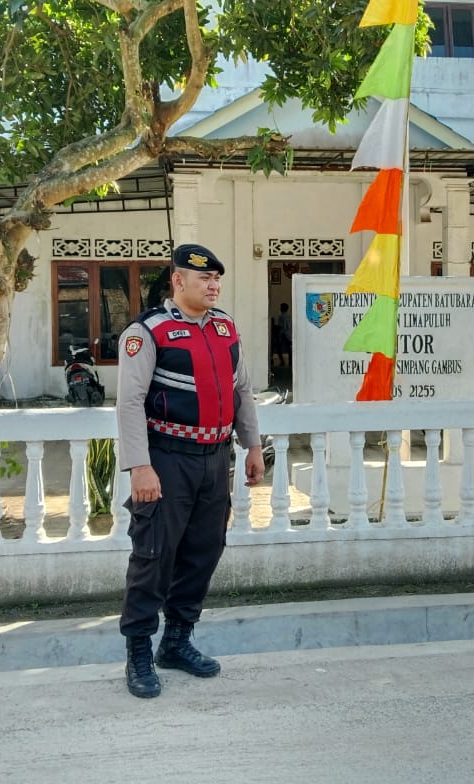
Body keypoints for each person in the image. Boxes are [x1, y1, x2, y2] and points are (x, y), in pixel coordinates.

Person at [116, 243, 265, 699]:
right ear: (178, 280)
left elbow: (242, 390)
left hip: (216, 459)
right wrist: (140, 466)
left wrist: (252, 445)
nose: (213, 285)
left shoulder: (225, 328)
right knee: (154, 555)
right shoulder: (148, 332)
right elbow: (129, 402)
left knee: (204, 551)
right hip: (166, 459)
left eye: (217, 278)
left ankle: (176, 642)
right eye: (205, 278)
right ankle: (139, 652)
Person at [274, 302, 293, 368]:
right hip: (289, 335)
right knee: (289, 350)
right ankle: (290, 363)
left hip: (283, 335)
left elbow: (282, 327)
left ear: (282, 308)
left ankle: (282, 362)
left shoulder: (281, 317)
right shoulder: (289, 316)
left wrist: (278, 333)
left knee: (278, 348)